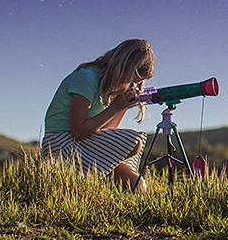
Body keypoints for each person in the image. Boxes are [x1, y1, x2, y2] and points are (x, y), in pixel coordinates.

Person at [41, 38, 155, 191]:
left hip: (83, 143)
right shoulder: (87, 77)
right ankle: (85, 179)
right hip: (62, 142)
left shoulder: (108, 85)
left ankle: (93, 181)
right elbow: (78, 131)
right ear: (123, 66)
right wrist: (115, 107)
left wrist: (123, 107)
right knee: (134, 142)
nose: (132, 84)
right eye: (132, 80)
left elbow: (105, 130)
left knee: (138, 186)